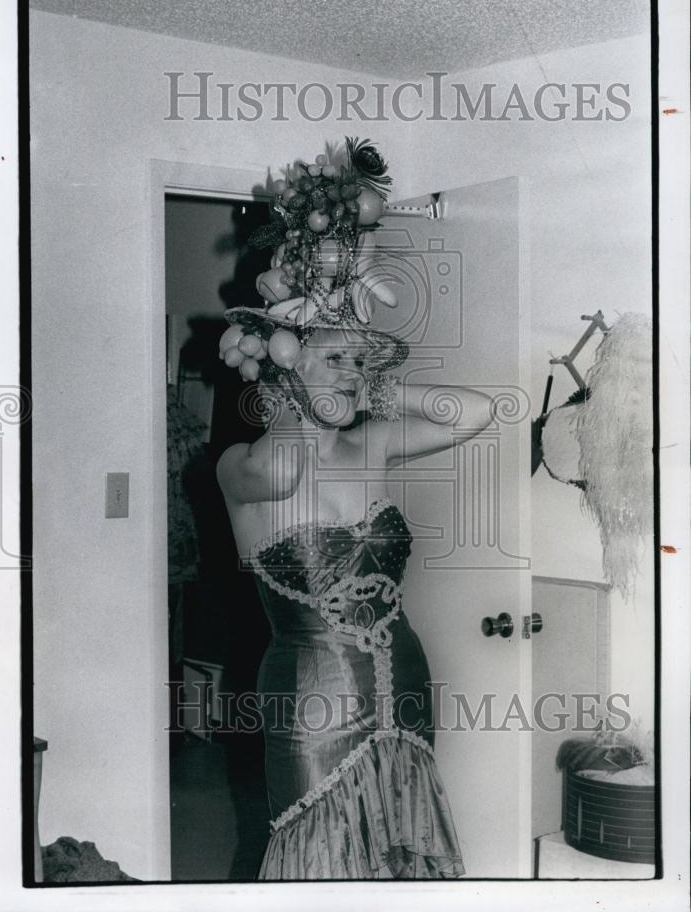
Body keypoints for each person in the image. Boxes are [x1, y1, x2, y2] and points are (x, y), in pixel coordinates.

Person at [215, 139, 493, 880]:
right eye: (335, 357)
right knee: (319, 854)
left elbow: (474, 413)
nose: (353, 372)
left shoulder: (372, 445)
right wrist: (286, 385)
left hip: (402, 675)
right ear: (287, 357)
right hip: (310, 693)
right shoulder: (239, 463)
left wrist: (374, 386)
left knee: (401, 847)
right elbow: (279, 473)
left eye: (362, 359)